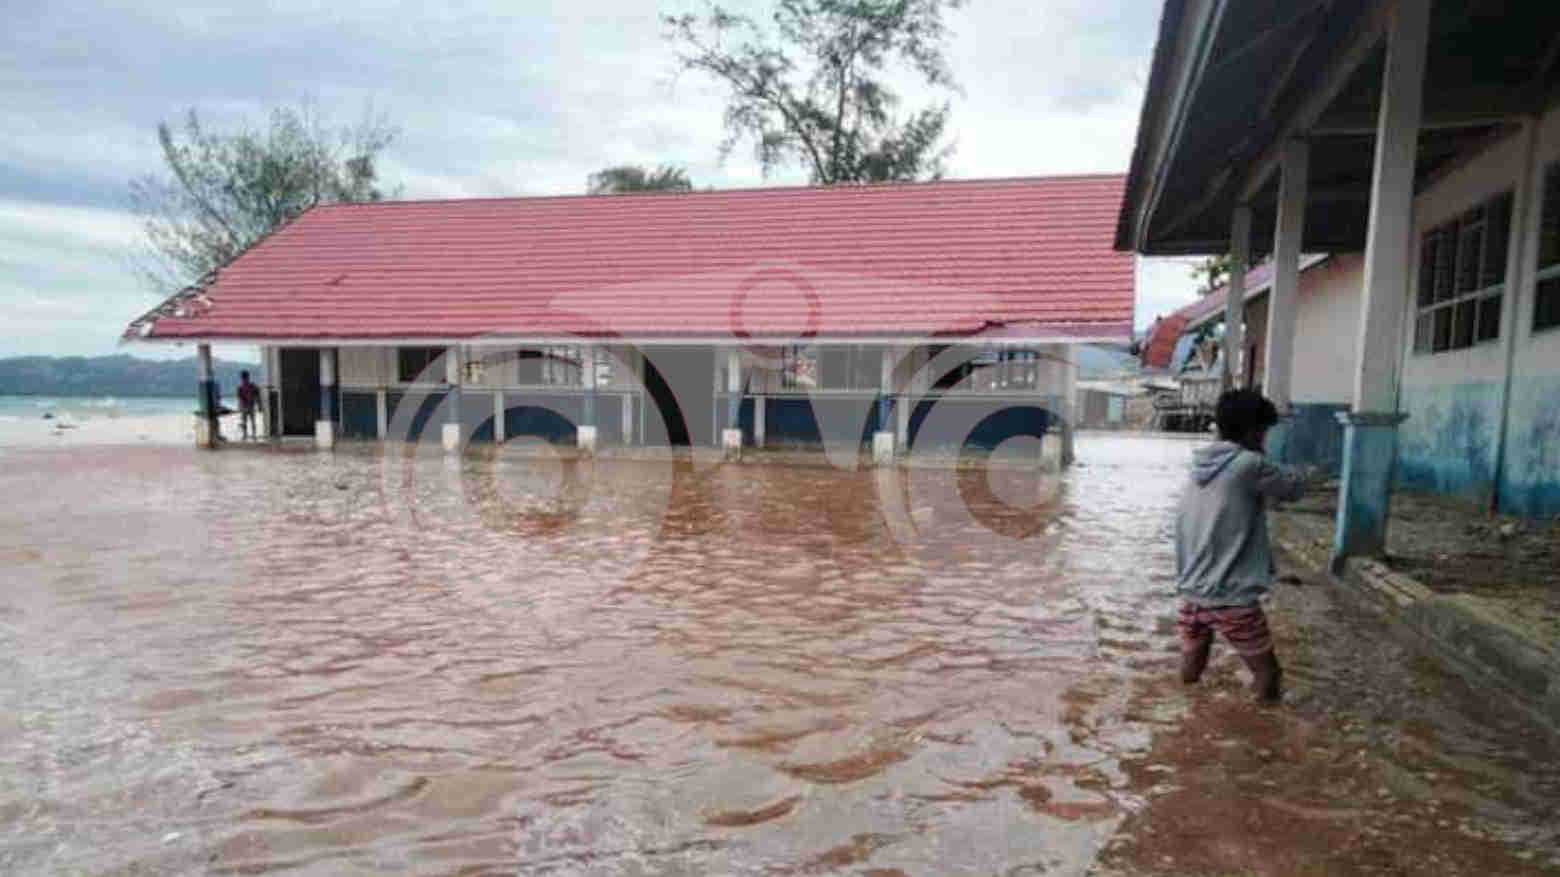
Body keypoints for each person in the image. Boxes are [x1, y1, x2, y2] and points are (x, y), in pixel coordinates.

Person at [1175, 388, 1306, 704]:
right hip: (1230, 596)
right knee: (1268, 676)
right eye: (1264, 432)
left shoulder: (1199, 466)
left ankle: (1185, 715)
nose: (1264, 440)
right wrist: (1308, 472)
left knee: (1191, 673)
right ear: (1252, 431)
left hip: (1192, 592)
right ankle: (1264, 727)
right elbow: (1293, 489)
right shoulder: (1249, 464)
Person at [236, 370, 259, 440]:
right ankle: (248, 434)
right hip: (247, 405)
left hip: (248, 405)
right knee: (247, 421)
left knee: (249, 421)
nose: (245, 379)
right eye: (245, 378)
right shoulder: (248, 386)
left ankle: (250, 435)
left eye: (244, 378)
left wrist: (240, 405)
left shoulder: (243, 386)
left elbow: (239, 397)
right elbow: (239, 397)